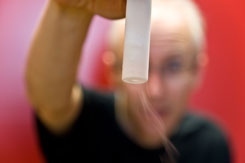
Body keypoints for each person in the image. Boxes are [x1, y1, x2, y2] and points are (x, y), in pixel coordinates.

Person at [25, 0, 232, 162]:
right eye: (139, 66)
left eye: (174, 66)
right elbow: (49, 101)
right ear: (113, 71)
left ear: (196, 71)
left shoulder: (208, 146)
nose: (155, 91)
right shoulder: (87, 123)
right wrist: (69, 8)